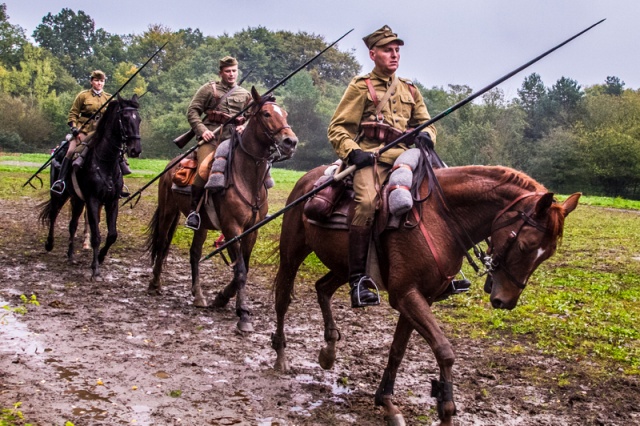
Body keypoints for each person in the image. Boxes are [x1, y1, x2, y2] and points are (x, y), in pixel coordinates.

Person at [327, 25, 441, 308]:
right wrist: (353, 153)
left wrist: (427, 135)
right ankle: (358, 280)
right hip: (371, 158)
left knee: (440, 194)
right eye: (388, 50)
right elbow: (338, 128)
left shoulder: (410, 89)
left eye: (397, 50)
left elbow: (426, 123)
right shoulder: (360, 86)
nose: (394, 55)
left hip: (406, 158)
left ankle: (445, 272)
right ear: (373, 53)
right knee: (366, 203)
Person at [184, 56, 252, 230]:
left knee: (256, 166)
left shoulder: (244, 94)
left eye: (234, 71)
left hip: (235, 140)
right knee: (204, 168)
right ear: (221, 72)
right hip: (212, 138)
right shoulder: (209, 89)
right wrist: (202, 131)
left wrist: (244, 126)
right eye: (228, 71)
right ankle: (194, 211)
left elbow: (254, 116)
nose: (231, 74)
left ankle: (256, 207)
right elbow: (192, 111)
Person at [51, 70, 112, 194]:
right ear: (91, 81)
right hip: (83, 130)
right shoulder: (83, 96)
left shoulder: (109, 98)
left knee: (116, 153)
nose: (99, 83)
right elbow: (73, 114)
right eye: (96, 80)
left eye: (101, 81)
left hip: (100, 133)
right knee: (71, 151)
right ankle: (61, 181)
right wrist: (74, 128)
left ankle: (117, 184)